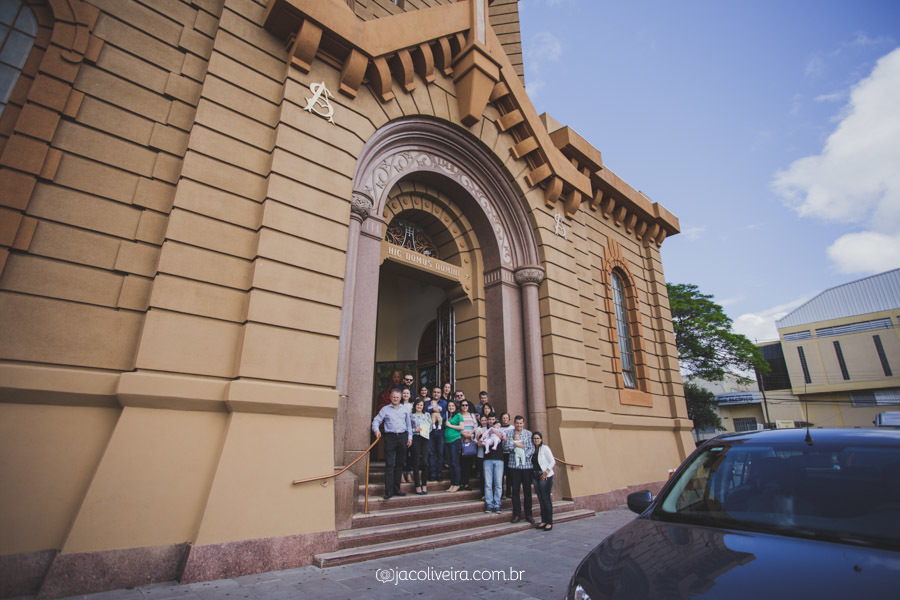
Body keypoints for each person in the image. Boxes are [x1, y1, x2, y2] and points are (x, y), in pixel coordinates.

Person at [371, 389, 412, 499]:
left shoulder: (404, 409)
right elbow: (376, 421)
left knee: (400, 464)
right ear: (390, 397)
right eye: (394, 397)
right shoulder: (385, 409)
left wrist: (410, 437)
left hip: (402, 437)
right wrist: (376, 430)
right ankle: (388, 491)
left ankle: (397, 490)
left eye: (397, 397)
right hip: (390, 438)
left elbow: (408, 425)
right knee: (390, 464)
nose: (396, 399)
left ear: (400, 398)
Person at [504, 415, 535, 523]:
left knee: (527, 491)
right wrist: (515, 445)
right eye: (517, 423)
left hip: (526, 466)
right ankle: (517, 514)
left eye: (521, 423)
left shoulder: (528, 434)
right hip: (514, 466)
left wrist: (523, 455)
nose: (519, 425)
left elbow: (532, 448)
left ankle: (528, 514)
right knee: (515, 491)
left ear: (523, 423)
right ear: (514, 423)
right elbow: (505, 447)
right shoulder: (509, 433)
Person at [481, 414, 507, 513]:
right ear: (487, 420)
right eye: (490, 419)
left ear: (496, 420)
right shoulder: (484, 430)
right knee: (488, 483)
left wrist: (494, 431)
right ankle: (489, 504)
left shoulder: (500, 429)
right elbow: (480, 442)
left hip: (499, 458)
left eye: (493, 419)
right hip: (487, 458)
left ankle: (497, 504)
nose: (491, 421)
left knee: (498, 483)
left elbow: (504, 438)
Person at [532, 431, 556, 530]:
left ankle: (549, 522)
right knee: (541, 499)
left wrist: (546, 472)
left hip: (545, 476)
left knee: (546, 499)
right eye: (534, 438)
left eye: (538, 438)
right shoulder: (533, 449)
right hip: (535, 475)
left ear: (541, 439)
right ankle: (544, 520)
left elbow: (552, 461)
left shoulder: (545, 448)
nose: (536, 440)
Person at [410, 399, 432, 495]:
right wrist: (415, 429)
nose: (419, 406)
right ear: (415, 405)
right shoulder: (411, 415)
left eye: (421, 405)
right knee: (415, 462)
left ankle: (424, 484)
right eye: (418, 405)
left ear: (424, 406)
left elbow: (431, 426)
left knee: (424, 462)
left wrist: (426, 429)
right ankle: (417, 485)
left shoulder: (427, 415)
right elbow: (408, 428)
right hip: (415, 438)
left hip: (425, 438)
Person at [456, 398, 479, 491]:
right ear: (460, 407)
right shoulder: (458, 415)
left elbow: (476, 426)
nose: (464, 407)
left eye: (466, 405)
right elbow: (456, 426)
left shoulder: (472, 415)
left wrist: (470, 433)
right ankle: (461, 483)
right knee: (461, 463)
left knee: (469, 463)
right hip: (461, 440)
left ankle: (466, 483)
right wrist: (464, 434)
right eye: (463, 405)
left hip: (470, 441)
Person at [427, 387, 446, 481]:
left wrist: (439, 417)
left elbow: (446, 414)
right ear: (432, 393)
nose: (436, 394)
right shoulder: (427, 403)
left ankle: (439, 474)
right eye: (434, 392)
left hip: (441, 431)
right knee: (431, 453)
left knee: (440, 453)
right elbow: (426, 413)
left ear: (441, 394)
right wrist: (433, 410)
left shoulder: (444, 403)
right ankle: (432, 474)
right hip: (430, 431)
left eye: (438, 392)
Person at [444, 400, 462, 492]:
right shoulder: (448, 416)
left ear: (455, 407)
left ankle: (457, 484)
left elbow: (461, 427)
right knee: (450, 464)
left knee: (455, 463)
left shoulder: (458, 415)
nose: (451, 407)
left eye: (452, 406)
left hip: (455, 441)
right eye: (449, 406)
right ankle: (452, 483)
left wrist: (450, 425)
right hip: (447, 441)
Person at [399, 388, 414, 483]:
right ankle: (400, 474)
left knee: (410, 455)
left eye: (407, 393)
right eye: (404, 393)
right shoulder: (398, 405)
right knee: (402, 454)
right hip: (401, 431)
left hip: (412, 431)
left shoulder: (413, 405)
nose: (405, 395)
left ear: (410, 395)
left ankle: (408, 473)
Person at [499, 412, 513, 499]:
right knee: (501, 474)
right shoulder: (498, 428)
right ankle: (501, 493)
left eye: (506, 418)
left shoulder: (512, 428)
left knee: (509, 474)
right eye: (503, 418)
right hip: (501, 453)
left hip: (510, 453)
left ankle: (508, 492)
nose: (505, 419)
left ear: (509, 419)